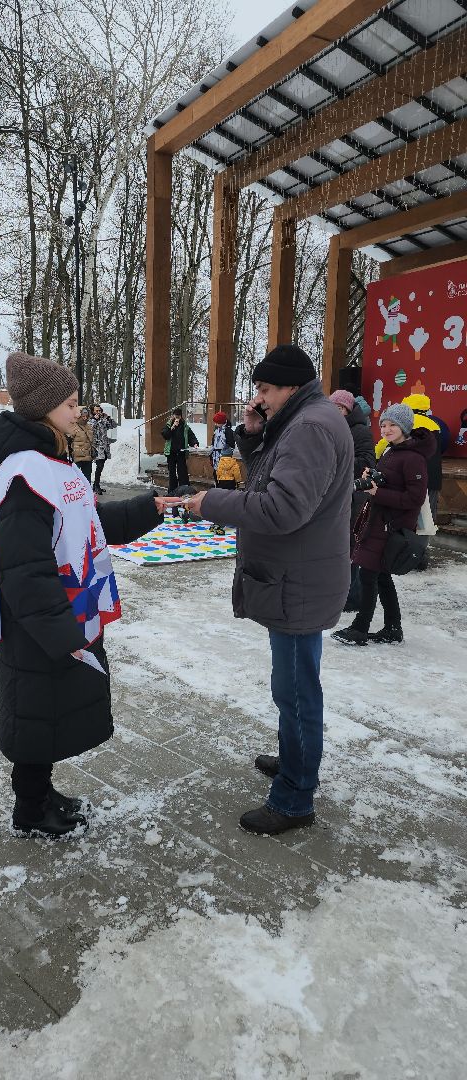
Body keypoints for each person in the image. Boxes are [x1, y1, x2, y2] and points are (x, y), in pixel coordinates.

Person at [0, 352, 180, 838]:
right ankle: (30, 810)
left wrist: (147, 508)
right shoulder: (26, 475)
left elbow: (88, 525)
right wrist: (60, 634)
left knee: (47, 711)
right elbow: (24, 568)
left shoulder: (54, 461)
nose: (79, 411)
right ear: (42, 408)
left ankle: (42, 794)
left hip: (60, 613)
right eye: (69, 403)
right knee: (34, 713)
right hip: (38, 624)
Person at [185, 345, 354, 836]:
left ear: (290, 387)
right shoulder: (304, 420)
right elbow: (273, 478)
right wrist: (255, 435)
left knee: (296, 693)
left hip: (298, 582)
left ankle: (295, 798)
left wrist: (211, 502)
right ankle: (294, 758)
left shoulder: (311, 427)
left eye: (264, 390)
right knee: (293, 686)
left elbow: (282, 508)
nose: (258, 398)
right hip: (298, 577)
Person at [332, 403, 435, 647]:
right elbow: (390, 482)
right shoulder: (392, 451)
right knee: (381, 577)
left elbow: (415, 498)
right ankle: (393, 628)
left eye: (392, 425)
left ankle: (360, 628)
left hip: (392, 527)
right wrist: (371, 478)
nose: (387, 429)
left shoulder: (413, 458)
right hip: (378, 522)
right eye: (384, 425)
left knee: (369, 574)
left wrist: (378, 492)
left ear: (404, 427)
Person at [329, 389, 376, 612]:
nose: (335, 412)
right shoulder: (329, 428)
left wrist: (337, 461)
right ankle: (338, 592)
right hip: (334, 494)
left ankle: (353, 597)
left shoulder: (360, 431)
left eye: (339, 408)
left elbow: (367, 462)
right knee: (336, 545)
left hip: (355, 495)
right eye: (332, 408)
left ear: (348, 409)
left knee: (352, 546)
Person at [161, 407, 199, 497]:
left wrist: (195, 443)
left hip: (181, 452)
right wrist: (172, 427)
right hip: (171, 453)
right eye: (175, 416)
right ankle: (172, 492)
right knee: (172, 473)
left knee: (183, 473)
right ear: (173, 416)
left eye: (178, 416)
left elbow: (191, 436)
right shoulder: (169, 424)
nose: (177, 418)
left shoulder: (185, 426)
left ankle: (185, 491)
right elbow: (165, 435)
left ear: (181, 416)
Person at [211, 447, 242, 536]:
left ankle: (217, 521)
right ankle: (228, 520)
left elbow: (218, 472)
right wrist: (238, 481)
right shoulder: (234, 462)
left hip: (222, 483)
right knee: (231, 500)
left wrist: (219, 480)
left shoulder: (220, 462)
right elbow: (237, 473)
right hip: (231, 482)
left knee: (222, 500)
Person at [91, 404, 116, 494]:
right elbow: (90, 429)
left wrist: (108, 417)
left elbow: (113, 425)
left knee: (101, 467)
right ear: (93, 411)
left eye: (100, 410)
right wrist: (95, 420)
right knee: (99, 466)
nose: (98, 412)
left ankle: (96, 485)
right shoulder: (90, 420)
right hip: (97, 447)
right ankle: (96, 486)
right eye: (96, 411)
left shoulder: (103, 420)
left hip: (104, 447)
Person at [72, 407, 95, 483]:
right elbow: (67, 442)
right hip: (76, 459)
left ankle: (88, 490)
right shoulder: (73, 427)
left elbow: (92, 441)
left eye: (86, 416)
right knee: (75, 479)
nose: (85, 418)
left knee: (87, 480)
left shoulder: (89, 427)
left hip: (87, 458)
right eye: (83, 416)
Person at [210, 410, 236, 478]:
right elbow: (213, 441)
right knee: (216, 474)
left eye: (217, 422)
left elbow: (231, 445)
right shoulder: (216, 430)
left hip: (224, 457)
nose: (215, 424)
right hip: (215, 456)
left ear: (222, 422)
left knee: (223, 475)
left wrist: (225, 453)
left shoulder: (228, 431)